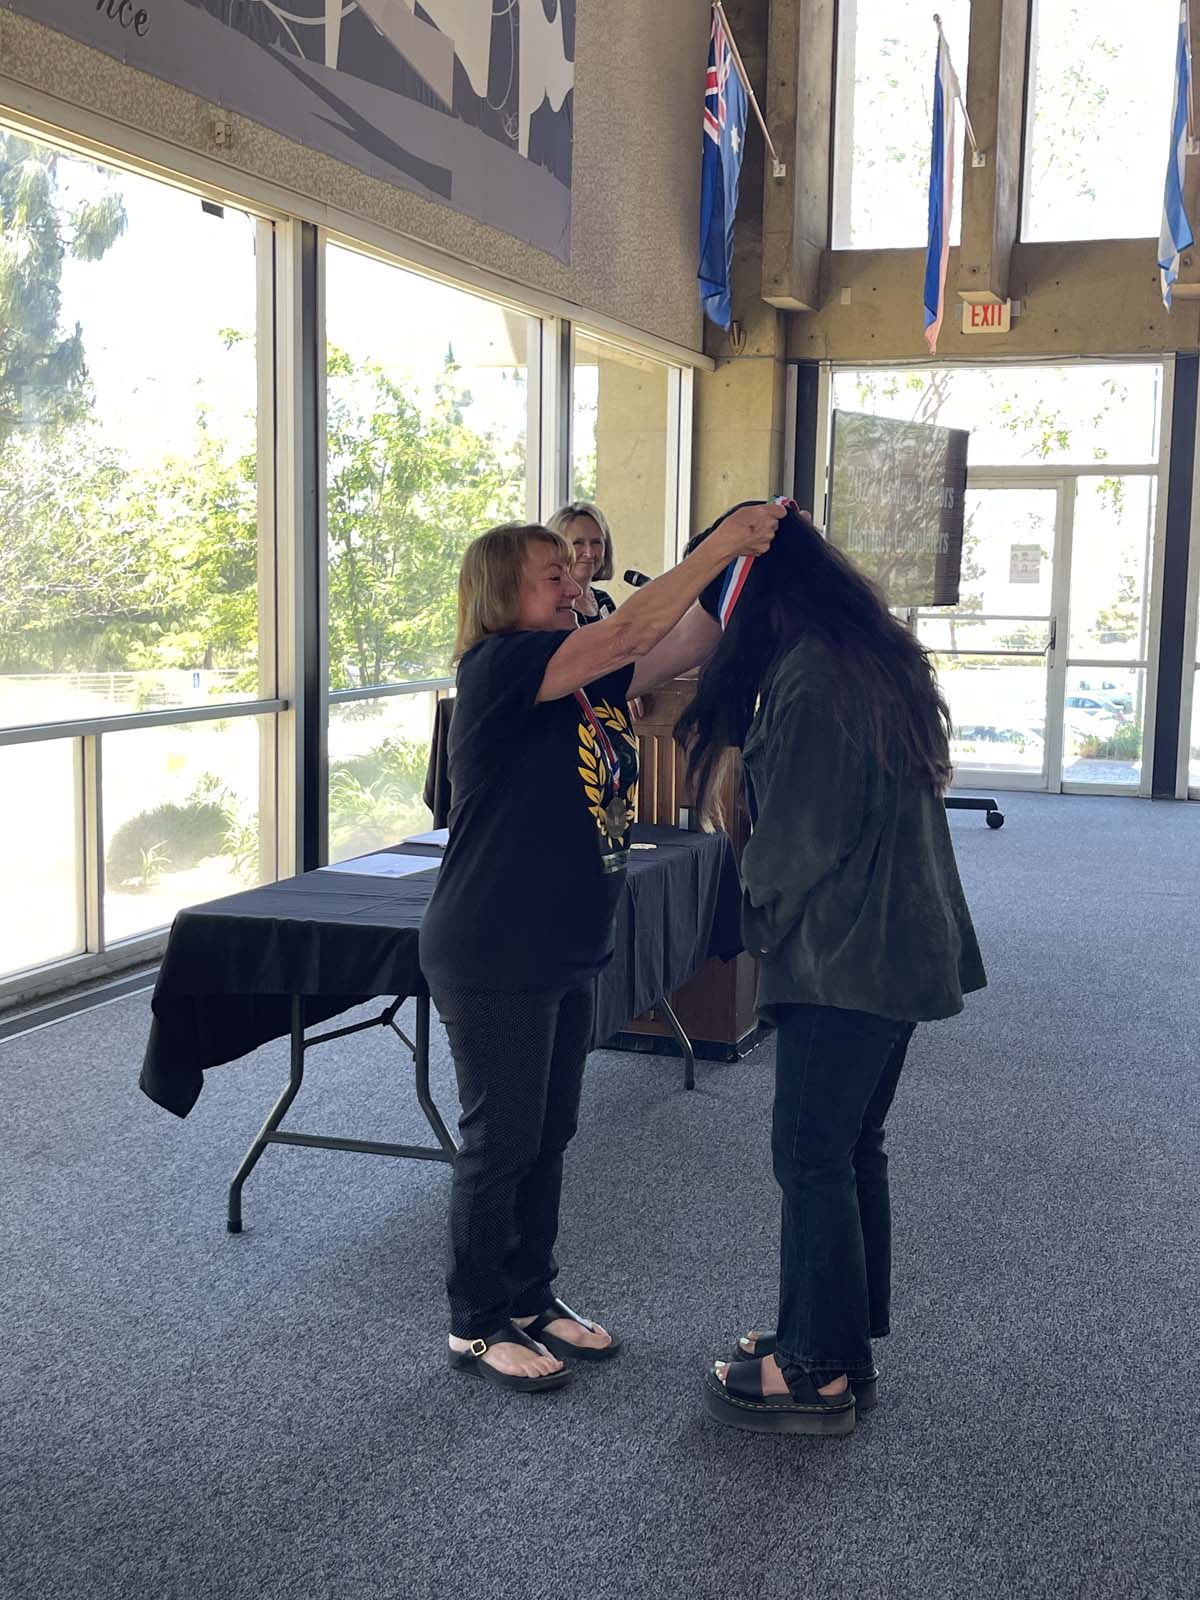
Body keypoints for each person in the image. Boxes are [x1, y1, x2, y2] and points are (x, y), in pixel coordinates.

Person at [419, 503, 783, 1393]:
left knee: (549, 1132)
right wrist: (721, 543)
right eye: (555, 575)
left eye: (574, 572)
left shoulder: (584, 685)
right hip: (496, 945)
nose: (575, 582)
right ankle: (474, 1323)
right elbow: (634, 624)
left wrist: (753, 571)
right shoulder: (503, 665)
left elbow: (681, 639)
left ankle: (532, 1297)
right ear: (504, 594)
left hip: (563, 942)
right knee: (500, 1141)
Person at [673, 501, 987, 1436]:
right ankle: (838, 1342)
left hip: (846, 959)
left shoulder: (813, 679)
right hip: (897, 949)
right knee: (850, 1150)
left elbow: (798, 840)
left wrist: (741, 914)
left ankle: (815, 1373)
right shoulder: (869, 656)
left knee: (811, 1154)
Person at [545, 501, 618, 624]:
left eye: (596, 542)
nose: (589, 553)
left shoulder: (604, 600)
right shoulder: (554, 605)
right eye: (578, 543)